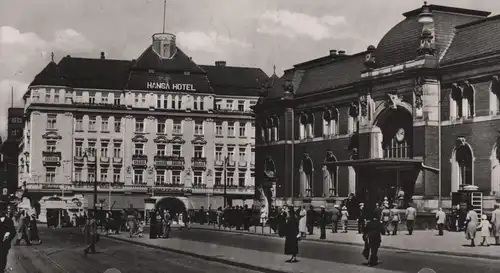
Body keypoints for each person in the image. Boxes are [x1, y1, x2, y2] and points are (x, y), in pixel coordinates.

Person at [0, 201, 16, 272]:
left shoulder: (9, 221)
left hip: (4, 245)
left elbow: (13, 232)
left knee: (3, 260)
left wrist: (8, 236)